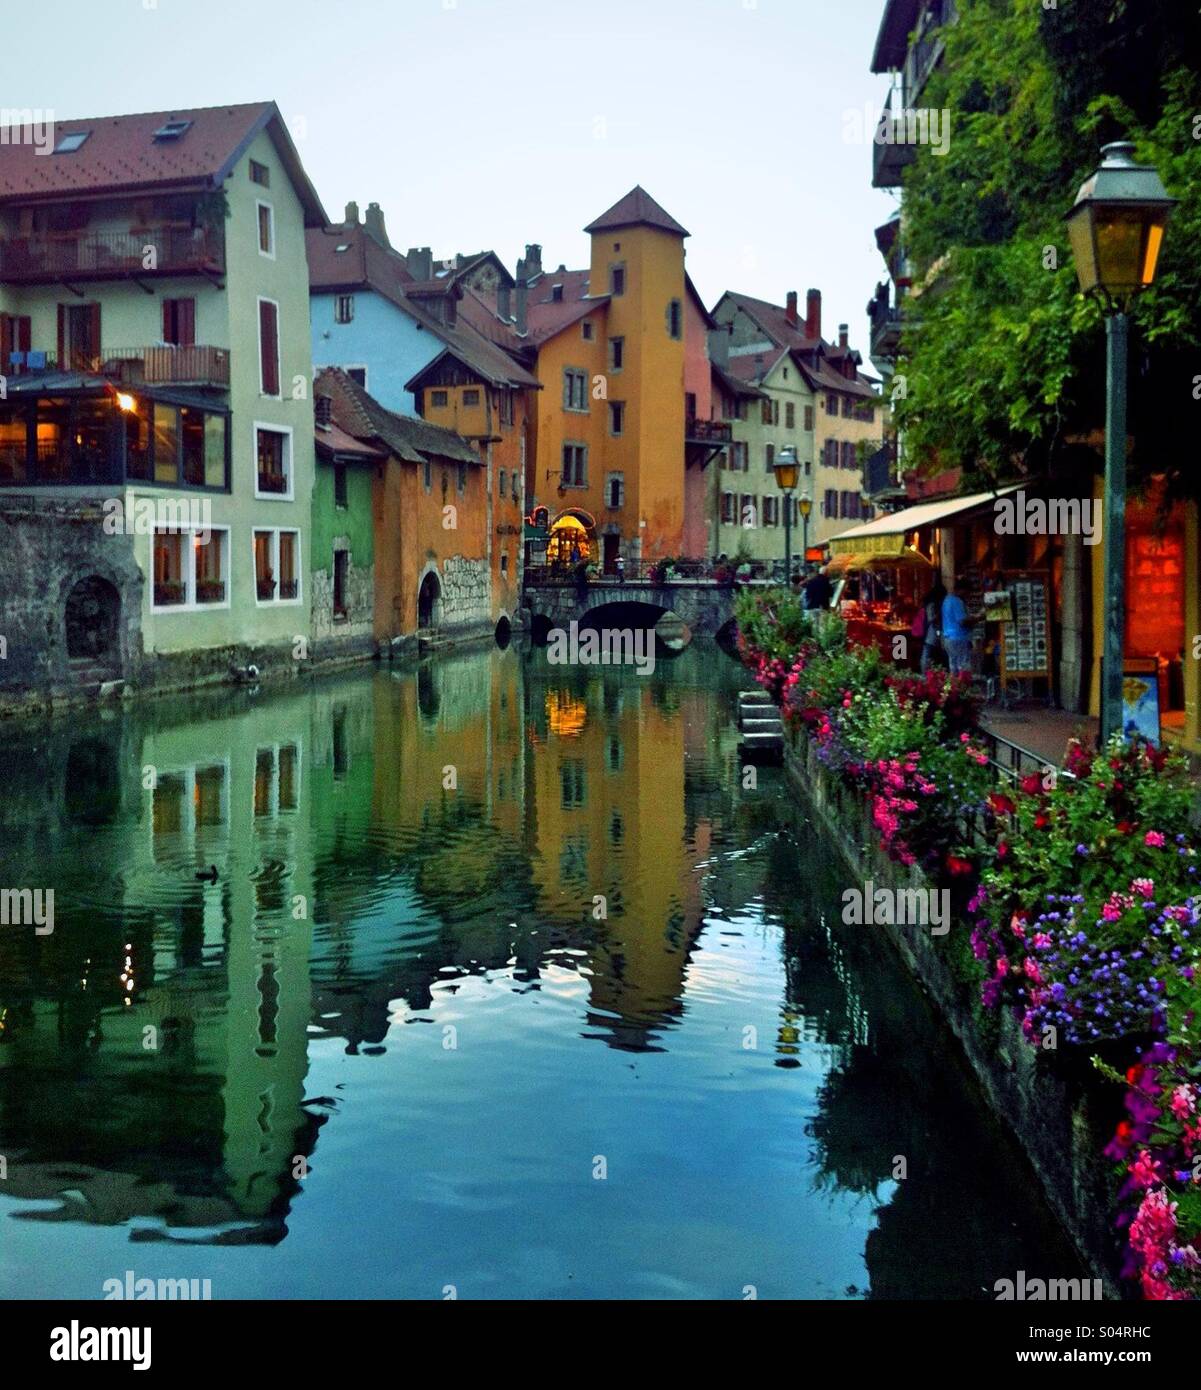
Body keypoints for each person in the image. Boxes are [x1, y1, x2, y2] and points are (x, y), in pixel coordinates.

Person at [941, 577, 973, 676]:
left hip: (948, 637)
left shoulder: (947, 600)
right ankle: (963, 687)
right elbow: (962, 621)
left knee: (953, 665)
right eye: (968, 592)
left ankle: (955, 687)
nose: (968, 595)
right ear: (962, 590)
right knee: (963, 666)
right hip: (958, 637)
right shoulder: (957, 602)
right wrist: (978, 618)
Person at [917, 580, 946, 675]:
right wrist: (938, 615)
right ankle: (925, 673)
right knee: (927, 652)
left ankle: (928, 672)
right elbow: (931, 619)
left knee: (928, 652)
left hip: (930, 631)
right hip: (930, 631)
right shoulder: (932, 604)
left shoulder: (930, 603)